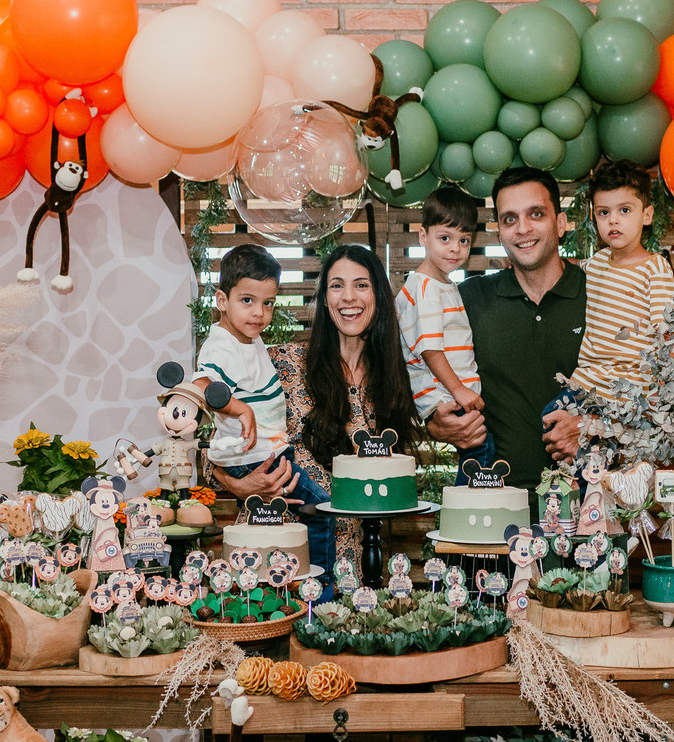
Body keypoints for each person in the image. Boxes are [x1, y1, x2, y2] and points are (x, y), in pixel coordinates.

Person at [210, 244, 420, 580]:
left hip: (352, 569)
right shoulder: (284, 363)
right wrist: (240, 487)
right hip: (274, 557)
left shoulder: (392, 382)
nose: (348, 297)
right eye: (337, 285)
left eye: (361, 285)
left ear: (378, 295)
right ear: (324, 298)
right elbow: (217, 445)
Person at [426, 167, 587, 490]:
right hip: (491, 506)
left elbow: (643, 390)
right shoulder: (467, 299)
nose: (522, 229)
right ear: (499, 231)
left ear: (561, 223)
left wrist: (591, 425)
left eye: (536, 214)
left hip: (588, 506)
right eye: (509, 219)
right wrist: (436, 424)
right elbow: (419, 374)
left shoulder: (599, 294)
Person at [191, 244, 332, 570]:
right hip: (253, 459)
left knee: (296, 523)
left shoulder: (249, 340)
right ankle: (320, 588)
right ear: (222, 301)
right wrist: (241, 409)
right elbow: (200, 386)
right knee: (321, 511)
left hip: (267, 455)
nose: (259, 313)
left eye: (268, 303)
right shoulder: (220, 347)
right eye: (247, 301)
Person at [544, 159, 674, 417]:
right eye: (604, 212)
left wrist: (662, 389)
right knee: (549, 417)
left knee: (601, 449)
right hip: (586, 383)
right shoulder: (597, 263)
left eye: (624, 210)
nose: (613, 220)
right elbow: (565, 266)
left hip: (631, 390)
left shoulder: (655, 268)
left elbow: (668, 331)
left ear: (647, 215)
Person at [394, 187, 494, 485]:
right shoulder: (425, 289)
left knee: (478, 457)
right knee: (481, 459)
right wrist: (460, 390)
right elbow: (430, 350)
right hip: (446, 393)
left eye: (464, 241)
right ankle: (464, 516)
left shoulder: (440, 284)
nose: (455, 249)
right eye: (445, 238)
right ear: (423, 237)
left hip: (447, 391)